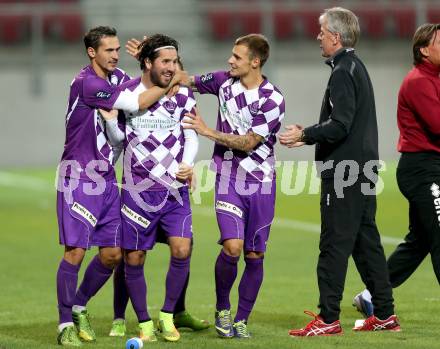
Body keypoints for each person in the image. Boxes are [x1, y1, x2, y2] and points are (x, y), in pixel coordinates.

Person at [56, 26, 182, 346]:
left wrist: (150, 61)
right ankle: (63, 324)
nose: (114, 55)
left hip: (108, 179)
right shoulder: (89, 84)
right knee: (75, 252)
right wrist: (172, 78)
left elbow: (140, 83)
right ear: (91, 53)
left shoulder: (116, 77)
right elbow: (138, 98)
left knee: (112, 255)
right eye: (108, 50)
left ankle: (79, 306)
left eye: (116, 49)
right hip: (79, 177)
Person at [279, 7, 400, 336]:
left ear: (335, 35)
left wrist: (305, 134)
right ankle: (386, 314)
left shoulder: (343, 71)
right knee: (366, 243)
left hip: (345, 173)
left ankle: (328, 319)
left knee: (334, 244)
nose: (318, 37)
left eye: (321, 31)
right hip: (362, 170)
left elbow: (340, 125)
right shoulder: (354, 66)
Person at [182, 33, 285, 338]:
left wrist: (206, 131)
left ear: (255, 62)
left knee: (254, 255)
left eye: (237, 57)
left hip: (261, 183)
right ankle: (223, 308)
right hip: (228, 178)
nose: (230, 60)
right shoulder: (223, 82)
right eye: (231, 55)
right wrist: (150, 56)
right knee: (232, 246)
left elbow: (248, 142)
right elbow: (185, 79)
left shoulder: (272, 99)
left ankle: (242, 319)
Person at [101, 34, 200, 343]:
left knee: (183, 248)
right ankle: (143, 321)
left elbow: (191, 134)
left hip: (174, 189)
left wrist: (187, 162)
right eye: (166, 62)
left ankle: (167, 315)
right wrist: (111, 124)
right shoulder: (127, 93)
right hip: (137, 190)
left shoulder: (183, 95)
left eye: (174, 61)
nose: (173, 68)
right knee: (133, 258)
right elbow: (119, 140)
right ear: (148, 63)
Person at [353, 23, 440, 318]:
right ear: (424, 50)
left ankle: (371, 295)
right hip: (423, 169)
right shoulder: (418, 81)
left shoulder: (434, 78)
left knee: (421, 241)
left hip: (431, 168)